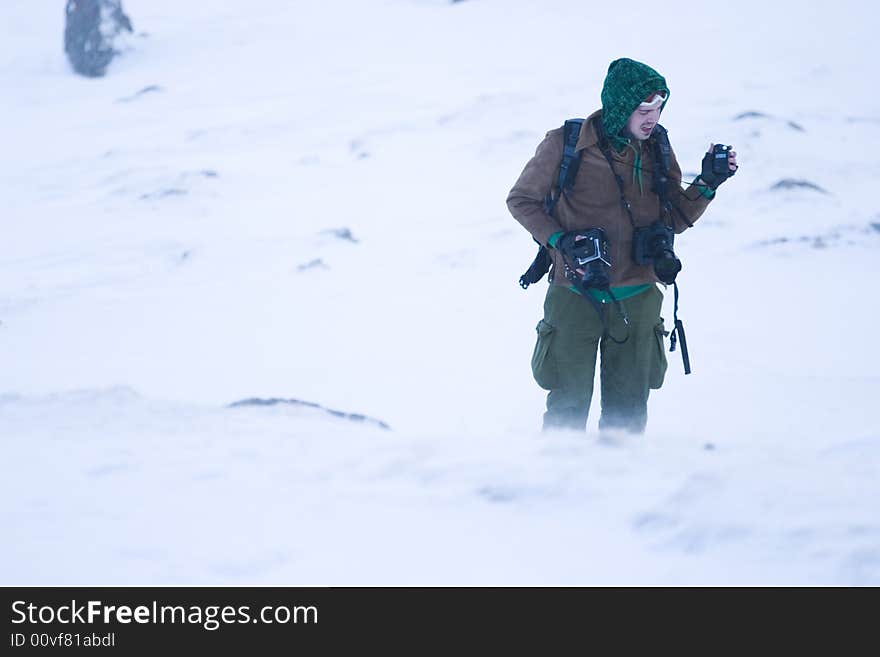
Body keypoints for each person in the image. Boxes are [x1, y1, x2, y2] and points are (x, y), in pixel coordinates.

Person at [506, 58, 738, 434]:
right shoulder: (564, 144)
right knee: (566, 408)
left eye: (659, 108)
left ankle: (620, 490)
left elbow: (675, 219)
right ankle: (554, 488)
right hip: (574, 294)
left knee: (628, 415)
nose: (652, 118)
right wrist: (559, 240)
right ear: (619, 105)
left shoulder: (658, 146)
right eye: (644, 109)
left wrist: (708, 183)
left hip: (639, 296)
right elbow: (521, 200)